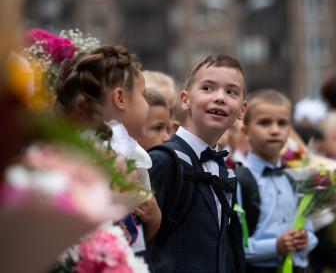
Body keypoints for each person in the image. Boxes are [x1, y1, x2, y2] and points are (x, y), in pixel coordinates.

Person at [147, 54, 247, 273]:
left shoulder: (226, 172)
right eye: (208, 88)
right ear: (185, 100)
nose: (220, 97)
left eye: (231, 92)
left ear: (242, 109)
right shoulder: (163, 161)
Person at [54, 45, 161, 248]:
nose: (148, 105)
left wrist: (154, 219)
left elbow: (134, 244)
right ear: (121, 98)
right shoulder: (77, 162)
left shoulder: (135, 158)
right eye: (144, 96)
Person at [240, 89, 317, 273]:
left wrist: (305, 239)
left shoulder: (296, 177)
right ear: (245, 131)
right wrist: (275, 246)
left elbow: (311, 231)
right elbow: (232, 244)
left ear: (289, 131)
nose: (275, 130)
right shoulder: (238, 179)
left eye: (282, 123)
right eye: (264, 123)